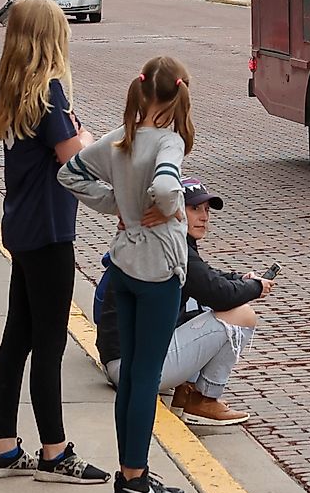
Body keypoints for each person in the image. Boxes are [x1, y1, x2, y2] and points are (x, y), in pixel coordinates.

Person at [58, 55, 194, 493]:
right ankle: (135, 481)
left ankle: (131, 474)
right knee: (146, 377)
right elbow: (168, 188)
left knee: (132, 375)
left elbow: (69, 173)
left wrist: (118, 205)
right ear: (175, 98)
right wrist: (168, 209)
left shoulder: (119, 138)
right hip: (158, 269)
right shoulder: (169, 141)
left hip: (123, 266)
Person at [0, 0, 105, 484]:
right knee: (50, 342)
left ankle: (4, 447)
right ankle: (55, 451)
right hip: (51, 230)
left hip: (24, 224)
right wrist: (85, 131)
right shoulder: (51, 92)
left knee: (19, 336)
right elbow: (78, 156)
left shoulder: (15, 89)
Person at [95, 183, 268, 429]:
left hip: (124, 362)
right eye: (195, 208)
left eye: (207, 209)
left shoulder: (159, 237)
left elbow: (208, 278)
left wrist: (240, 280)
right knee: (242, 315)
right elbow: (220, 295)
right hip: (131, 370)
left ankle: (186, 392)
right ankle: (202, 399)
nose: (204, 217)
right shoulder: (174, 248)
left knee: (206, 306)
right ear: (173, 209)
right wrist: (256, 288)